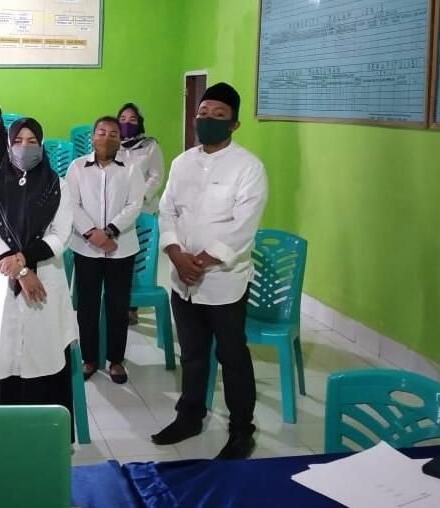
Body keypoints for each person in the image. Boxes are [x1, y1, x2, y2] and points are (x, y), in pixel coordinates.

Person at [150, 83, 268, 460]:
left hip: (223, 283)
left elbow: (243, 226)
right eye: (203, 113)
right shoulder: (182, 163)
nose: (208, 120)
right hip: (181, 279)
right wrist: (175, 253)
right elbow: (166, 210)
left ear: (234, 124)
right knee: (192, 354)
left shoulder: (248, 167)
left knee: (232, 358)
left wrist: (199, 261)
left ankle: (241, 430)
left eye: (219, 115)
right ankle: (190, 417)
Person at [0, 118, 76, 440]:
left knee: (42, 355)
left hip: (46, 280)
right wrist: (20, 270)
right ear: (8, 144)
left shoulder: (58, 185)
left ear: (41, 145)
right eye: (18, 141)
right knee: (1, 349)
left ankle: (43, 437)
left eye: (32, 141)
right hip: (2, 280)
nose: (24, 147)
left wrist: (24, 260)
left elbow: (61, 234)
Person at [65, 116, 145, 384]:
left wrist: (109, 231)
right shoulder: (77, 167)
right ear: (92, 137)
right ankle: (89, 358)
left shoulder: (131, 168)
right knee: (87, 305)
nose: (106, 138)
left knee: (117, 306)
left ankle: (116, 360)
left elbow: (134, 205)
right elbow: (71, 204)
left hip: (121, 248)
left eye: (113, 134)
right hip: (86, 247)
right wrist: (93, 233)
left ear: (120, 139)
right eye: (101, 132)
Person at [117, 102, 165, 325]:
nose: (127, 123)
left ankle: (132, 306)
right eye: (122, 119)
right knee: (121, 257)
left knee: (140, 259)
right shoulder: (113, 145)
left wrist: (138, 197)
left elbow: (156, 176)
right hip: (118, 211)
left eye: (132, 119)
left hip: (144, 211)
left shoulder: (150, 146)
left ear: (140, 123)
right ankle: (120, 300)